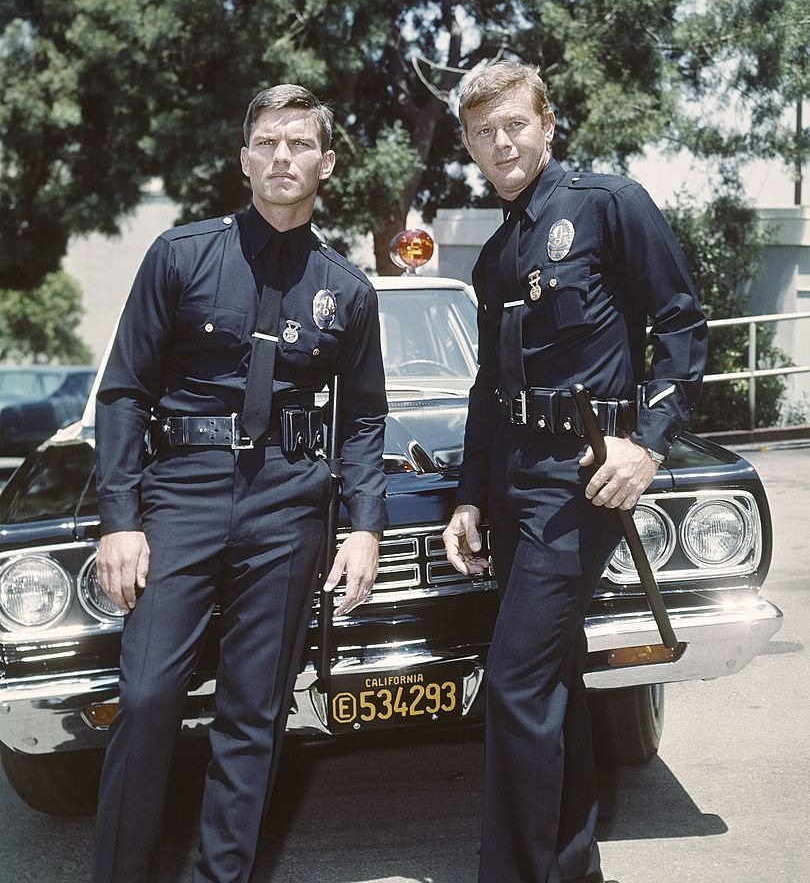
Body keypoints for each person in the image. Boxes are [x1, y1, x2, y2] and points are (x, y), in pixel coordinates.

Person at [92, 84, 387, 883]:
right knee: (148, 697)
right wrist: (120, 519)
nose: (283, 157)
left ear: (325, 164)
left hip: (289, 502)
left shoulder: (348, 292)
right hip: (181, 493)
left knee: (253, 716)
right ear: (245, 158)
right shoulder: (181, 256)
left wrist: (364, 525)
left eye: (300, 144)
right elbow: (122, 392)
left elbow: (361, 419)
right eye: (268, 142)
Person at [442, 62, 707, 883]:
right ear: (469, 148)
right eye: (484, 134)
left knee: (515, 681)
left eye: (515, 124)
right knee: (550, 677)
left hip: (583, 474)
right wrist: (468, 498)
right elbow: (491, 388)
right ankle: (571, 867)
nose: (502, 143)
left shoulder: (608, 204)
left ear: (548, 124)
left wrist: (650, 443)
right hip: (517, 479)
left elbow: (682, 324)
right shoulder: (493, 259)